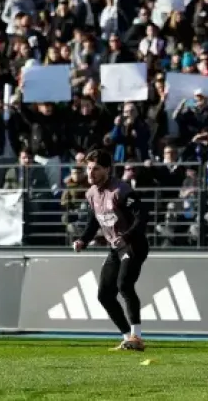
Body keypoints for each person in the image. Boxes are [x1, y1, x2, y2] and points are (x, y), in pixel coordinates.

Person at [72, 150, 149, 351]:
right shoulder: (91, 194)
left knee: (124, 284)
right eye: (88, 168)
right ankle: (127, 337)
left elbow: (142, 217)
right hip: (116, 247)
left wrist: (126, 236)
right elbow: (93, 222)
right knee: (104, 295)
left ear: (107, 169)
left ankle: (137, 336)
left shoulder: (121, 190)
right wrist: (83, 240)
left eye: (96, 168)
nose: (91, 173)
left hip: (133, 244)